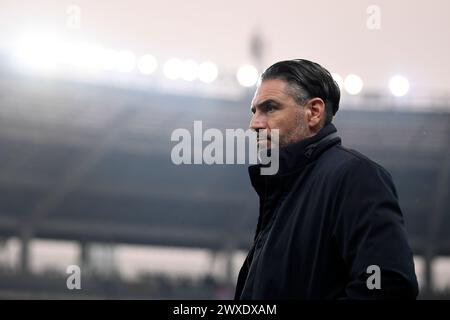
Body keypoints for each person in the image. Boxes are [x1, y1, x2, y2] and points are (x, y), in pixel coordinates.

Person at [234, 59, 419, 299]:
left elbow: (387, 283)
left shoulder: (356, 176)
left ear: (313, 112)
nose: (254, 124)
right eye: (254, 111)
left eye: (269, 108)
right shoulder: (282, 191)